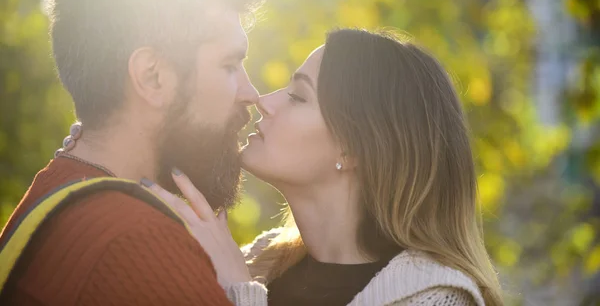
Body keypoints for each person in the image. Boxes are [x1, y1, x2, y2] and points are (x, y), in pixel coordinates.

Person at [0, 0, 270, 305]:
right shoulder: (140, 245)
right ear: (152, 77)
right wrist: (242, 291)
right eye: (229, 65)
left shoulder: (54, 192)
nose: (250, 93)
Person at [149, 29, 505, 305]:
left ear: (353, 149)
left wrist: (239, 293)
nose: (264, 101)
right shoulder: (260, 264)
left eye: (297, 97)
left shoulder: (436, 298)